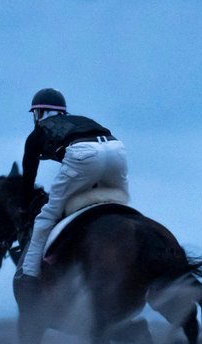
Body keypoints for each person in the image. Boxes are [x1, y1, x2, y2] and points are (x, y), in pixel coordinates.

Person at [13, 88, 129, 301]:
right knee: (122, 208)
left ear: (39, 113)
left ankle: (28, 278)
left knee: (45, 219)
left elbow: (28, 176)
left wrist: (22, 207)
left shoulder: (38, 133)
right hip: (116, 149)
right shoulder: (81, 121)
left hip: (84, 153)